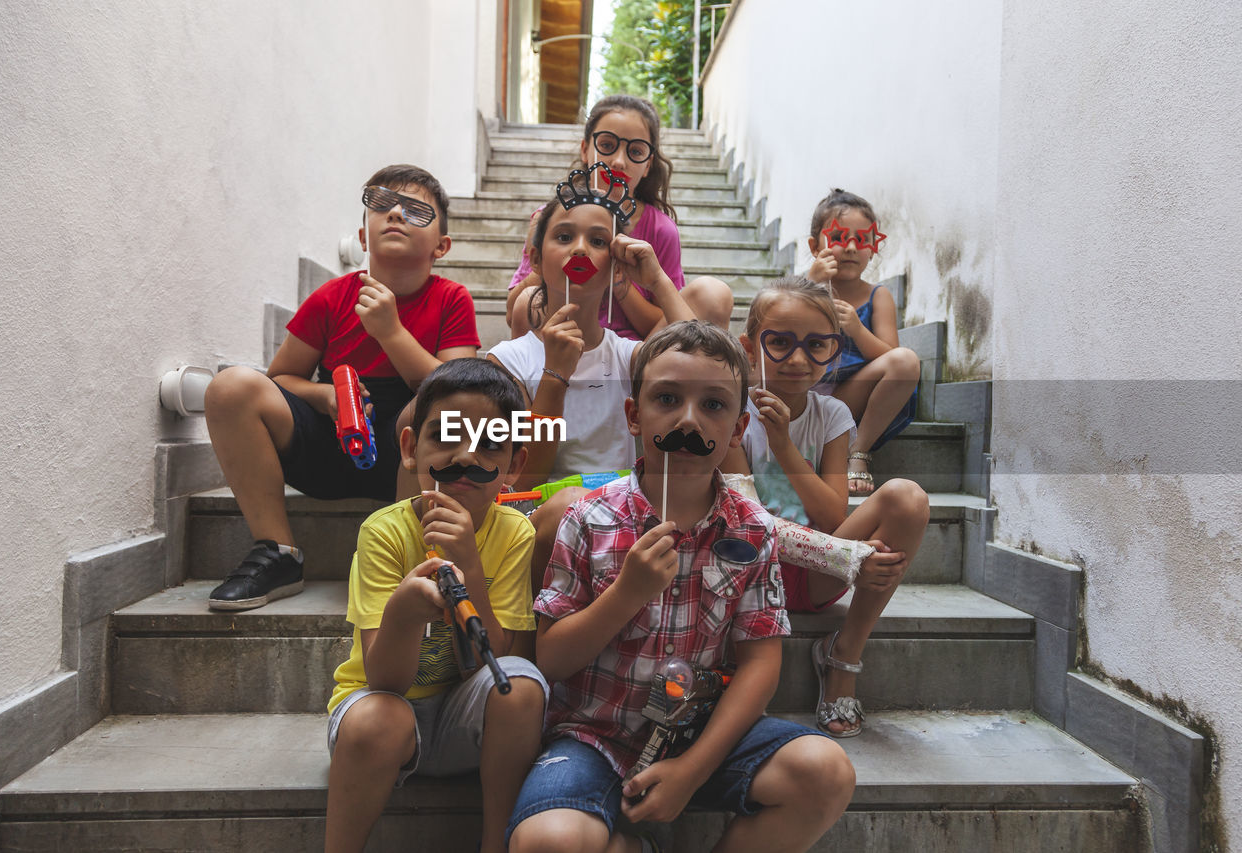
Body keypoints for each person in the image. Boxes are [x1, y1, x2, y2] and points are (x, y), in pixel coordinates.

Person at [507, 322, 856, 853]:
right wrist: (628, 591)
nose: (689, 420)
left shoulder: (752, 530)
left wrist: (692, 770)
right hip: (592, 736)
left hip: (703, 734)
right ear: (633, 416)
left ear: (738, 430)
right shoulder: (589, 520)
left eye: (713, 406)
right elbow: (550, 659)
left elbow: (761, 663)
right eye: (667, 399)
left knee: (824, 771)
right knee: (547, 843)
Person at [203, 165, 479, 611]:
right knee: (230, 387)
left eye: (415, 211)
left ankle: (405, 557)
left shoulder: (451, 299)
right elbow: (280, 379)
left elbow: (460, 393)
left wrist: (391, 332)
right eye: (383, 206)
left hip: (405, 452)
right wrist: (326, 395)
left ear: (441, 247)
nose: (395, 215)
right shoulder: (332, 297)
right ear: (363, 236)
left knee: (427, 413)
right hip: (329, 439)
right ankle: (277, 551)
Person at [324, 358, 549, 853]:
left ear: (513, 466)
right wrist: (404, 612)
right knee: (383, 717)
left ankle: (497, 842)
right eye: (446, 437)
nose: (465, 457)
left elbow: (497, 661)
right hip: (381, 716)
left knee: (522, 689)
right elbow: (385, 682)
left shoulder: (515, 533)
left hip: (461, 722)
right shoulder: (384, 531)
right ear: (410, 449)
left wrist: (468, 564)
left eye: (490, 443)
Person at [722, 276, 929, 738]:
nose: (798, 359)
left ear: (834, 351)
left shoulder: (832, 414)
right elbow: (747, 522)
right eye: (779, 342)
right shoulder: (728, 413)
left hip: (818, 574)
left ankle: (843, 657)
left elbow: (835, 517)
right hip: (747, 574)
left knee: (907, 497)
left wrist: (785, 446)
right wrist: (848, 555)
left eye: (817, 345)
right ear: (748, 345)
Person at [487, 169, 696, 585]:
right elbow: (523, 477)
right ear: (535, 257)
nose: (580, 249)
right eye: (564, 237)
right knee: (569, 502)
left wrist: (656, 280)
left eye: (598, 241)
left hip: (623, 518)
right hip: (535, 522)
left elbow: (704, 367)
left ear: (615, 267)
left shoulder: (627, 356)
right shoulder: (505, 362)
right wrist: (554, 378)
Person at [504, 94, 732, 340]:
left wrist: (622, 284)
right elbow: (515, 313)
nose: (619, 161)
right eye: (607, 145)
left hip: (634, 353)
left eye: (635, 151)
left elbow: (668, 325)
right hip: (559, 339)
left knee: (712, 293)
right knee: (529, 298)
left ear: (647, 165)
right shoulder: (549, 219)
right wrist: (551, 254)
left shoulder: (660, 230)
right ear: (585, 149)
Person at [806, 188, 920, 496]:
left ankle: (857, 451)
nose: (852, 247)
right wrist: (811, 285)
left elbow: (891, 356)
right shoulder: (804, 287)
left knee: (907, 360)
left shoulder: (877, 295)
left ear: (874, 247)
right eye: (841, 237)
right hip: (804, 401)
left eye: (863, 239)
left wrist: (857, 329)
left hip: (851, 398)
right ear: (816, 246)